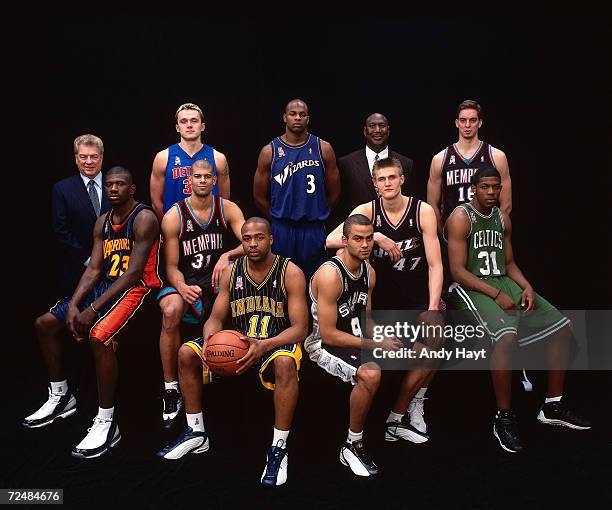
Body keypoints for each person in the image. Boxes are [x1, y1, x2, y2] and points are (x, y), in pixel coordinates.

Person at [445, 166, 590, 453]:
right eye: (485, 187)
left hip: (502, 280)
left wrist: (526, 286)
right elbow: (458, 272)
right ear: (473, 188)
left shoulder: (502, 218)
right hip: (471, 287)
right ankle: (504, 417)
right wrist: (497, 294)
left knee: (563, 327)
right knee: (506, 336)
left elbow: (509, 264)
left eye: (495, 187)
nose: (490, 192)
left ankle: (552, 405)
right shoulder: (461, 218)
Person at [157, 217, 308, 487]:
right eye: (247, 238)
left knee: (286, 363)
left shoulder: (290, 272)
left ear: (271, 239)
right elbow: (215, 318)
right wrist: (210, 338)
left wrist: (265, 344)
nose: (252, 243)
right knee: (186, 352)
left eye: (259, 237)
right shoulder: (231, 271)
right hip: (238, 344)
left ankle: (279, 446)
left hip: (273, 343)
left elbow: (300, 329)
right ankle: (196, 431)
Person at [23, 167, 162, 459]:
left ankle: (107, 421)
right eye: (109, 184)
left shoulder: (144, 218)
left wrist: (92, 311)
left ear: (132, 188)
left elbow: (134, 273)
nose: (113, 189)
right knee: (45, 323)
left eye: (120, 184)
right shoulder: (102, 222)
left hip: (136, 289)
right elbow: (94, 268)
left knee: (99, 337)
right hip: (105, 286)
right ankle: (61, 396)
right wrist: (75, 304)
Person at [326, 157, 443, 442]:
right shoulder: (367, 211)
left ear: (402, 179)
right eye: (382, 179)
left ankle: (402, 412)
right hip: (378, 299)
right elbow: (331, 240)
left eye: (393, 177)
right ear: (375, 184)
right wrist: (376, 236)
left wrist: (431, 307)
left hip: (414, 294)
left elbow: (435, 265)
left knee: (436, 339)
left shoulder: (422, 211)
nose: (388, 183)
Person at [305, 214, 403, 477]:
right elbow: (327, 335)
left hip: (354, 339)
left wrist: (386, 339)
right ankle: (352, 444)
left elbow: (366, 320)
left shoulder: (369, 272)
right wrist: (374, 343)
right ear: (345, 241)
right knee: (371, 373)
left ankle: (398, 422)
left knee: (416, 349)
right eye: (358, 239)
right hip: (321, 347)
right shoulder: (330, 275)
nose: (365, 244)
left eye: (369, 238)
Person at [157, 159, 246, 429]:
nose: (203, 181)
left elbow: (252, 239)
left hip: (216, 276)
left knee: (238, 280)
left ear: (215, 180)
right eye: (198, 176)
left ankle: (235, 363)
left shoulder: (227, 207)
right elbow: (170, 267)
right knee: (171, 311)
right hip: (186, 278)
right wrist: (182, 287)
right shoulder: (175, 215)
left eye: (208, 176)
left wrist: (227, 255)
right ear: (190, 180)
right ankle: (171, 387)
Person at [253, 98, 341, 279]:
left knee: (315, 280)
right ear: (285, 117)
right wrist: (277, 218)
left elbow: (335, 192)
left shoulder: (323, 148)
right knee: (282, 280)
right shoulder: (270, 151)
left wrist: (319, 213)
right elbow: (258, 196)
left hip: (313, 228)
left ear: (308, 119)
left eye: (302, 114)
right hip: (282, 228)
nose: (297, 118)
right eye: (293, 114)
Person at [427, 99, 512, 232]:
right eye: (463, 120)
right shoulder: (440, 159)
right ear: (456, 123)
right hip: (453, 231)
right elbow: (432, 205)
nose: (467, 125)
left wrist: (494, 231)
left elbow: (506, 205)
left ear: (480, 123)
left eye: (472, 120)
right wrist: (443, 234)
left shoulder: (496, 156)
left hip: (486, 231)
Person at [52, 134, 111, 295]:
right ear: (76, 158)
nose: (89, 162)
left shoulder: (115, 184)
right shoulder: (62, 189)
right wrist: (88, 260)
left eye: (94, 156)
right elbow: (61, 231)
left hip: (115, 269)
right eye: (83, 157)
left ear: (102, 157)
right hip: (76, 270)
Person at [333, 113, 415, 227]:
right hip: (358, 232)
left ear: (388, 130)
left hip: (396, 231)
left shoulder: (406, 163)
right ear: (365, 131)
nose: (377, 130)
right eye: (372, 126)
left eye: (382, 125)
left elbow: (410, 201)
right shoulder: (345, 163)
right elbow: (341, 203)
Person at [150, 102, 230, 218]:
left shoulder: (218, 158)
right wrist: (169, 226)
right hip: (174, 227)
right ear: (177, 128)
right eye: (183, 121)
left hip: (208, 228)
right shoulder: (163, 157)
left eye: (194, 120)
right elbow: (156, 202)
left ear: (202, 126)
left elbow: (224, 201)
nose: (189, 125)